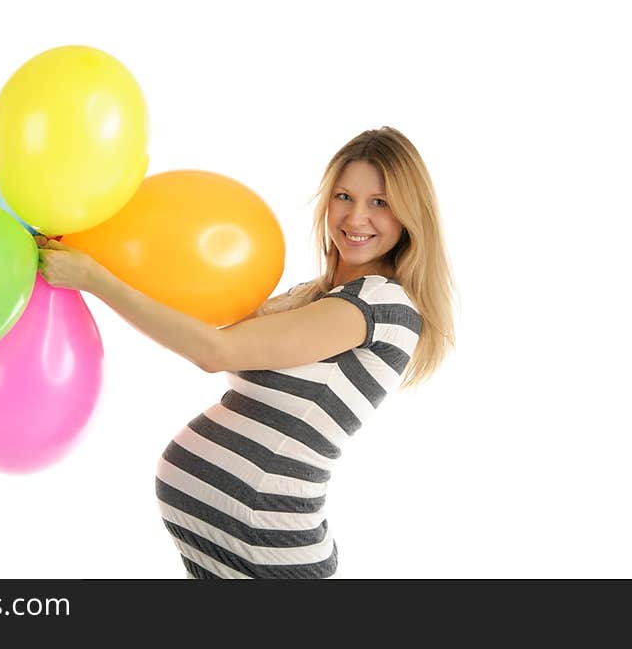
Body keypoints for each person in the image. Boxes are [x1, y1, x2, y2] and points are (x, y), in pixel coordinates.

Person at [37, 126, 457, 579]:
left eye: (380, 202)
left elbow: (215, 350)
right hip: (228, 550)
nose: (356, 217)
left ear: (410, 214)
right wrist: (94, 254)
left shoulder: (379, 304)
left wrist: (96, 280)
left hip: (269, 552)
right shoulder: (312, 295)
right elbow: (198, 326)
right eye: (343, 196)